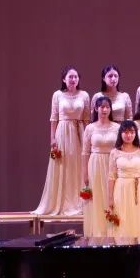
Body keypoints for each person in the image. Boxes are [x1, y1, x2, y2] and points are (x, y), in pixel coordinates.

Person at [32, 66, 91, 216]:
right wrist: (52, 138)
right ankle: (61, 202)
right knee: (62, 165)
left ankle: (78, 201)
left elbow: (86, 119)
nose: (73, 79)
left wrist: (88, 138)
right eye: (70, 77)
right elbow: (54, 118)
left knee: (78, 165)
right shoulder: (57, 95)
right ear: (64, 79)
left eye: (75, 77)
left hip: (79, 133)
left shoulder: (84, 95)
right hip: (62, 133)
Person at [82, 95, 120, 237]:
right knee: (97, 198)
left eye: (107, 107)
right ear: (96, 109)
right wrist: (85, 173)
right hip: (95, 164)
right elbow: (85, 152)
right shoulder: (90, 128)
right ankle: (97, 232)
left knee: (112, 196)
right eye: (102, 107)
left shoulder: (117, 127)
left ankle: (111, 231)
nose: (104, 110)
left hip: (112, 164)